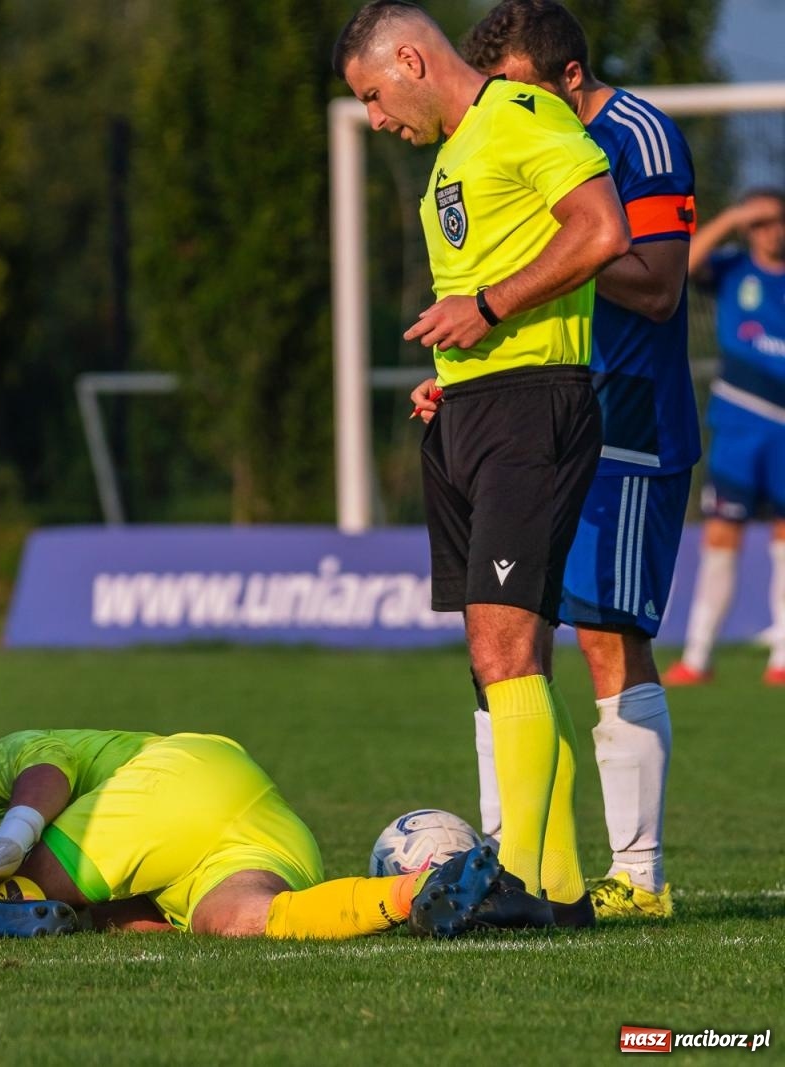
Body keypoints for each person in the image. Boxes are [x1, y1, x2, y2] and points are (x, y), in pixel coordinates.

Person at [334, 1, 630, 920]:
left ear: (412, 61)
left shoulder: (524, 116)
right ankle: (561, 889)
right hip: (472, 407)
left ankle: (522, 884)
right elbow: (476, 297)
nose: (376, 118)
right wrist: (450, 373)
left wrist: (490, 311)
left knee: (507, 647)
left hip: (532, 410)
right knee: (501, 656)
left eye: (375, 95)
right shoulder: (448, 165)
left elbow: (601, 230)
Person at [459, 0, 698, 921]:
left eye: (521, 89)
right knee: (505, 639)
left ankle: (639, 879)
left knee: (606, 635)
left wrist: (563, 249)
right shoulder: (510, 142)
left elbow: (662, 287)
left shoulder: (638, 134)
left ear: (567, 79)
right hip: (532, 417)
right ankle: (506, 862)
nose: (506, 108)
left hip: (626, 420)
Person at [0, 729, 553, 940]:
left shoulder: (3, 768)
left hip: (180, 777)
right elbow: (143, 909)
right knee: (249, 916)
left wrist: (12, 834)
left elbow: (44, 764)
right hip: (268, 827)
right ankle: (417, 892)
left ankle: (14, 904)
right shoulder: (127, 848)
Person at [664, 190, 785, 686]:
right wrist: (732, 216)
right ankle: (698, 656)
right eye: (758, 224)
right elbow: (683, 263)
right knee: (721, 534)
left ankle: (781, 658)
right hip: (739, 423)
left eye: (775, 221)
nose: (769, 231)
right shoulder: (732, 267)